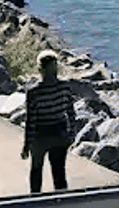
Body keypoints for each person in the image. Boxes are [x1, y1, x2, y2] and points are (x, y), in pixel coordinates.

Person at [21, 50, 77, 194]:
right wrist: (71, 135)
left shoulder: (33, 92)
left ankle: (36, 200)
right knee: (59, 171)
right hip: (60, 132)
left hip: (41, 134)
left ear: (40, 69)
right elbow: (71, 113)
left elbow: (31, 121)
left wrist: (26, 145)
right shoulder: (65, 87)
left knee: (36, 170)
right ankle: (62, 203)